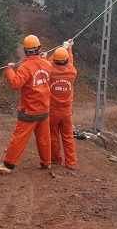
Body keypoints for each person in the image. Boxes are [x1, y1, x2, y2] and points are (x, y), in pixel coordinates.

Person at [0, 34, 52, 174]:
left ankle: (8, 165)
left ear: (25, 51)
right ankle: (46, 162)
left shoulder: (25, 67)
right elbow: (45, 66)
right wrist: (43, 58)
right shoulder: (47, 64)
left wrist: (9, 70)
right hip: (44, 108)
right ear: (39, 49)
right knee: (44, 137)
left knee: (19, 137)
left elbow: (16, 84)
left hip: (29, 109)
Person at [48, 39, 77, 170]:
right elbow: (70, 61)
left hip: (52, 112)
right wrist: (68, 48)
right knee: (68, 137)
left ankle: (55, 159)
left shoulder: (50, 71)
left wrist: (63, 48)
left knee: (53, 136)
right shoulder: (72, 72)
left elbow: (48, 62)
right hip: (66, 112)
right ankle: (70, 163)